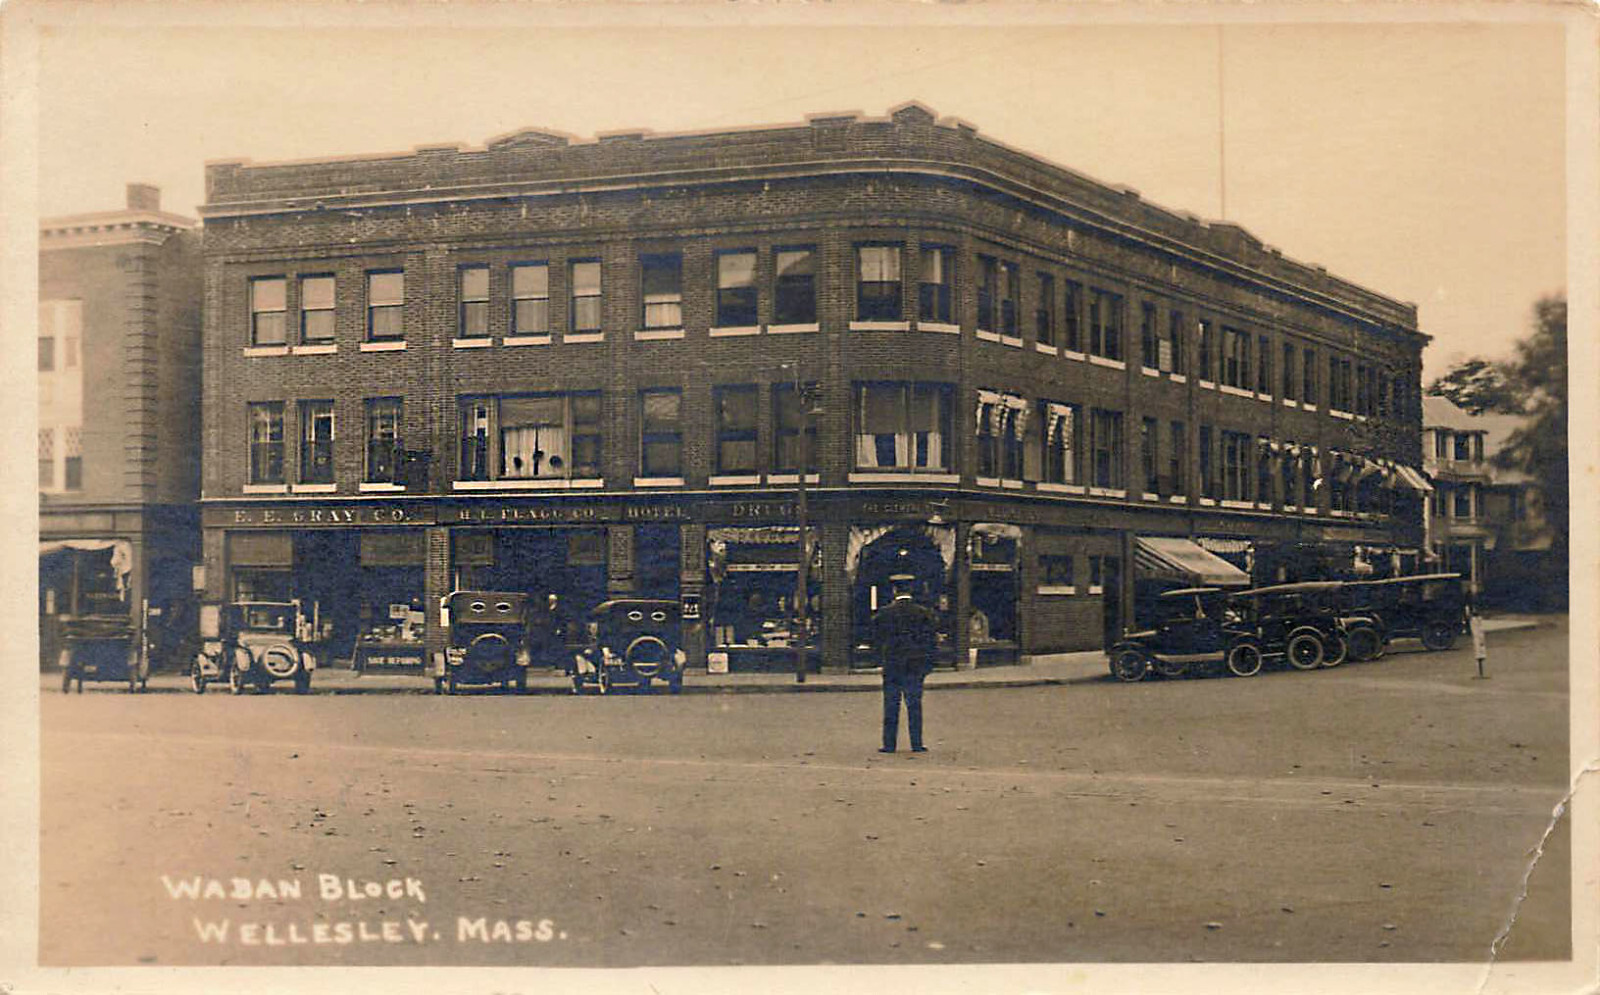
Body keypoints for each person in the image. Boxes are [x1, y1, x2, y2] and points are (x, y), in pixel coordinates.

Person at [872, 574, 939, 754]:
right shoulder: (923, 613)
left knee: (891, 704)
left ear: (894, 591)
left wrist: (880, 658)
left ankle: (889, 744)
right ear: (911, 591)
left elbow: (876, 639)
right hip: (915, 666)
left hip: (893, 665)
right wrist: (928, 664)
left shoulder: (885, 613)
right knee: (914, 704)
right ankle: (916, 743)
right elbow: (931, 641)